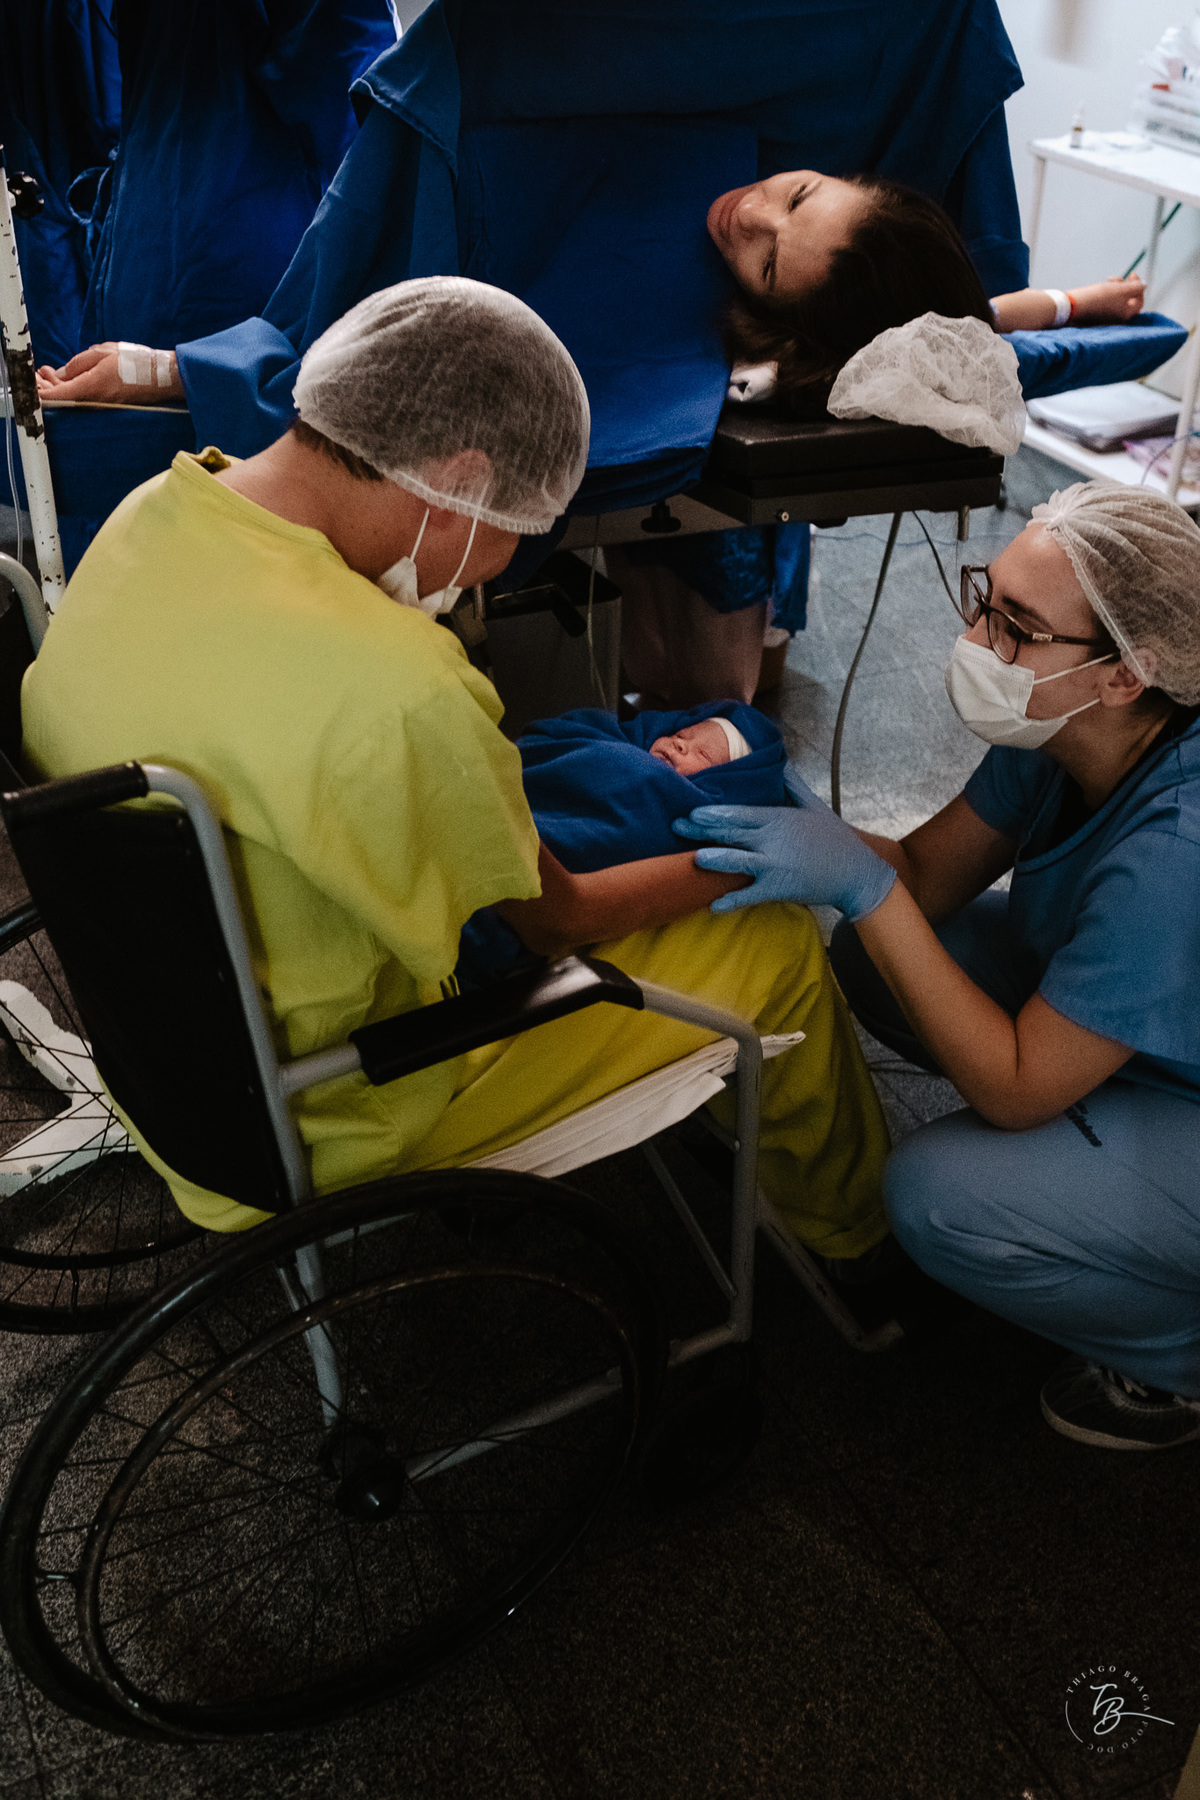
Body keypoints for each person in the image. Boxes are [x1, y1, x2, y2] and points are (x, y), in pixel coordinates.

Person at [21, 275, 889, 1263]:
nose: (490, 575)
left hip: (171, 1056)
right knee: (772, 944)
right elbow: (562, 919)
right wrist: (769, 861)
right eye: (509, 541)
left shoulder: (154, 513)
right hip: (333, 1111)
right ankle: (857, 1245)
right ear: (466, 480)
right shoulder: (396, 683)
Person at [674, 479, 1200, 1450]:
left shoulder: (1179, 850)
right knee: (891, 954)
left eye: (1018, 626)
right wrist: (788, 801)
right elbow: (925, 874)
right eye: (984, 599)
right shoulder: (1066, 726)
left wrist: (859, 888)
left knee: (938, 1197)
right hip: (1153, 1015)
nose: (979, 643)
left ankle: (1179, 1353)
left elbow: (1014, 1091)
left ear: (1127, 673)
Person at [707, 169, 1147, 413]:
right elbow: (990, 317)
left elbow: (972, 327)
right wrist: (1078, 302)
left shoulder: (774, 362)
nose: (748, 212)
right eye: (798, 195)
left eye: (768, 265)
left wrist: (1080, 304)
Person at [457, 700, 784, 984]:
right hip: (489, 902)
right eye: (680, 735)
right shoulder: (613, 747)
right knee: (792, 937)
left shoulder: (679, 811)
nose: (680, 745)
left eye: (703, 754)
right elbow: (561, 918)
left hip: (489, 865)